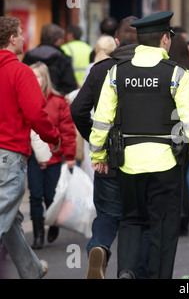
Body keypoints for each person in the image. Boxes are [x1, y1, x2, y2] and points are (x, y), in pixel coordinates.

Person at [89, 10, 189, 279]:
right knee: (164, 227)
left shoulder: (117, 73)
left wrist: (97, 153)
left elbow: (102, 119)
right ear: (165, 39)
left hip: (128, 161)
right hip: (166, 162)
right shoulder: (177, 74)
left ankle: (127, 271)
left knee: (131, 220)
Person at [70, 15, 138, 279]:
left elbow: (77, 109)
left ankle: (99, 246)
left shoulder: (100, 70)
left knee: (108, 214)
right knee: (136, 219)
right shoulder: (156, 70)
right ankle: (128, 271)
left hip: (108, 156)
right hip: (147, 159)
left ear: (117, 41)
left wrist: (93, 138)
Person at [0, 16, 60, 278]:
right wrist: (53, 137)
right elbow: (36, 114)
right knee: (3, 215)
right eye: (21, 33)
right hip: (10, 154)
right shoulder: (20, 72)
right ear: (12, 39)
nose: (25, 38)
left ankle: (31, 269)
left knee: (10, 219)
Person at [27, 61, 77, 249]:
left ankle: (54, 223)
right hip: (32, 158)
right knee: (35, 194)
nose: (34, 79)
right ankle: (38, 234)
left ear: (45, 78)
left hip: (55, 158)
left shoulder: (58, 102)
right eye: (31, 76)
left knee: (51, 195)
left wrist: (70, 156)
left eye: (38, 76)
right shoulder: (26, 99)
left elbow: (67, 131)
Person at [168, 33, 189, 236]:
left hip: (172, 129)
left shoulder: (172, 71)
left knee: (171, 176)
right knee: (182, 177)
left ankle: (174, 217)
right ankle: (184, 217)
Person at [22, 24, 78, 96]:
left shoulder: (28, 56)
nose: (63, 41)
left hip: (31, 98)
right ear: (58, 40)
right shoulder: (62, 58)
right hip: (56, 102)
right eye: (62, 38)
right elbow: (70, 86)